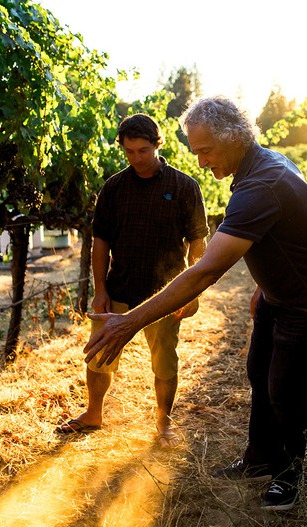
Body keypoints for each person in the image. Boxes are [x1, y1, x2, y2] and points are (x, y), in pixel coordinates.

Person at [83, 97, 307, 510]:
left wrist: (129, 321)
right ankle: (260, 459)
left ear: (236, 138)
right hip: (278, 296)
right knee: (258, 372)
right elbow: (287, 233)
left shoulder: (261, 184)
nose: (202, 163)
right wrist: (266, 285)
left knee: (284, 388)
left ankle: (288, 474)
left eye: (205, 151)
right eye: (196, 152)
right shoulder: (258, 166)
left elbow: (205, 270)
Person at [57, 113, 209, 448]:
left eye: (143, 150)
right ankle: (93, 413)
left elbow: (199, 241)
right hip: (120, 289)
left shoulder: (184, 187)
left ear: (157, 145)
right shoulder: (114, 188)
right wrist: (100, 291)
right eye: (129, 152)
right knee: (98, 355)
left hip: (165, 293)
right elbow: (101, 241)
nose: (136, 158)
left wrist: (191, 290)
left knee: (164, 360)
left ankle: (163, 424)